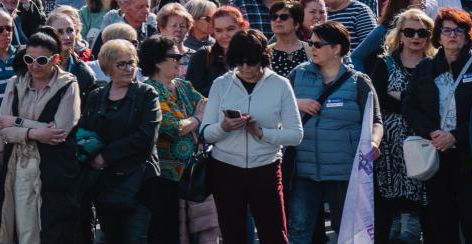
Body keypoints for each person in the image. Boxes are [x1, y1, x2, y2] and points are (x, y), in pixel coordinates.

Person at [199, 29, 302, 244]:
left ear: (263, 58)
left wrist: (261, 133)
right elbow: (206, 134)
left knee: (274, 235)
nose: (245, 68)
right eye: (239, 62)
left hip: (265, 168)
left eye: (251, 62)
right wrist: (224, 127)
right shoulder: (221, 84)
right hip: (225, 169)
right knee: (233, 235)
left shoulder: (280, 84)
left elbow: (295, 135)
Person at [287, 19, 382, 241]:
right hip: (304, 169)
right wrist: (297, 103)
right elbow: (276, 105)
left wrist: (374, 143)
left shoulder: (359, 81)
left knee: (348, 231)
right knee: (299, 229)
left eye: (318, 44)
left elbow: (376, 120)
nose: (312, 48)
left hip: (344, 171)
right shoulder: (298, 74)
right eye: (310, 43)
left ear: (337, 48)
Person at [0, 29, 80, 244]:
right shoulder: (16, 82)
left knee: (51, 228)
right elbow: (3, 126)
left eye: (41, 60)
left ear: (55, 59)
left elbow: (60, 132)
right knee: (23, 230)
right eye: (29, 59)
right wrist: (35, 132)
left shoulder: (68, 84)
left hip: (53, 169)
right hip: (18, 166)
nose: (34, 65)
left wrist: (19, 123)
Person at [408, 6, 472, 244]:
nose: (452, 35)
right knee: (440, 219)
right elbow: (410, 107)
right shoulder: (424, 69)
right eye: (446, 30)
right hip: (435, 153)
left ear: (468, 35)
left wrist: (456, 136)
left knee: (471, 219)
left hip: (469, 156)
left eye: (459, 30)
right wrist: (432, 133)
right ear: (438, 36)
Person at [77, 38, 160, 244]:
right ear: (107, 67)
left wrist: (106, 155)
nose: (128, 68)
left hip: (138, 180)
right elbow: (85, 133)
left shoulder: (146, 94)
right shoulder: (96, 96)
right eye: (121, 64)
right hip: (104, 183)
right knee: (111, 237)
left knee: (135, 238)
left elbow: (146, 137)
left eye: (131, 62)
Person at [366, 7, 435, 243]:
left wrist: (402, 97)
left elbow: (433, 104)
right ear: (401, 35)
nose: (416, 37)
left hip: (423, 141)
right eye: (410, 32)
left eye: (422, 33)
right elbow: (379, 99)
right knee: (388, 199)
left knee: (423, 198)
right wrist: (412, 100)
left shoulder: (434, 64)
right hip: (389, 143)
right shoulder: (384, 63)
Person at [139, 34, 208, 243]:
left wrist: (194, 120)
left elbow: (208, 106)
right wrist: (197, 118)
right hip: (163, 176)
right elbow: (173, 128)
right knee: (166, 231)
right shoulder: (150, 91)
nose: (180, 61)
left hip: (190, 173)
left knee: (196, 231)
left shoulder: (183, 86)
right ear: (158, 61)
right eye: (175, 57)